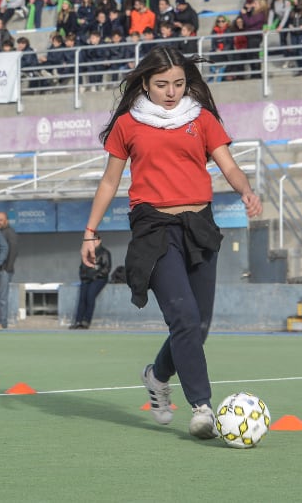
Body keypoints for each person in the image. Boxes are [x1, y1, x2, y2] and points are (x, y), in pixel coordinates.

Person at [81, 47, 262, 441]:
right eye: (162, 84)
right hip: (154, 229)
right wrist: (90, 232)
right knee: (182, 317)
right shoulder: (128, 125)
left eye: (178, 83)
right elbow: (110, 182)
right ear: (144, 82)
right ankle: (202, 407)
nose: (171, 92)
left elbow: (228, 164)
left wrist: (246, 190)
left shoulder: (202, 118)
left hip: (199, 225)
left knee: (198, 325)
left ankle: (157, 375)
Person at [73, 235, 111, 330]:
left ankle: (86, 321)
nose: (93, 241)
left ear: (99, 240)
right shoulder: (87, 252)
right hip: (86, 279)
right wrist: (83, 276)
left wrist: (95, 276)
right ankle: (78, 321)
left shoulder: (104, 252)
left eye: (95, 239)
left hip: (99, 279)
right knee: (82, 299)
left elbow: (106, 268)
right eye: (91, 240)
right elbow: (82, 267)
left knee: (90, 296)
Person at [0, 211, 18, 330]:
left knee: (2, 298)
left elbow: (13, 251)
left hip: (4, 271)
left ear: (6, 221)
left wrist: (7, 268)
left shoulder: (10, 232)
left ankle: (3, 323)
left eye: (0, 220)